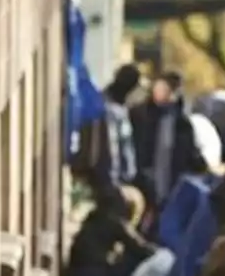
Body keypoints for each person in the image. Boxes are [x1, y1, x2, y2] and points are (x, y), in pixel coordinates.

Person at [131, 71, 208, 206]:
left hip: (171, 185)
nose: (160, 93)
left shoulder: (182, 122)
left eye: (165, 90)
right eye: (158, 88)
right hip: (144, 182)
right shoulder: (139, 114)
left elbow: (190, 153)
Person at [71, 64, 141, 207]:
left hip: (111, 179)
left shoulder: (114, 107)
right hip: (108, 182)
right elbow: (110, 149)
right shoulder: (109, 110)